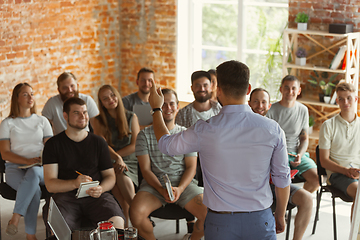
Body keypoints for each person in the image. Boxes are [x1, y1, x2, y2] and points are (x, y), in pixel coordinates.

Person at [149, 60, 291, 240]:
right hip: (260, 218)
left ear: (219, 90)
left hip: (220, 222)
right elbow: (282, 177)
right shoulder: (272, 129)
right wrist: (280, 214)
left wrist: (156, 109)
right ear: (248, 89)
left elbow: (165, 145)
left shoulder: (204, 130)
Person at [130, 88, 207, 240]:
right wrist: (160, 188)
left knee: (211, 214)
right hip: (154, 186)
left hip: (184, 185)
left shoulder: (186, 133)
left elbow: (192, 167)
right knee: (135, 214)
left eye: (172, 104)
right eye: (163, 104)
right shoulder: (143, 135)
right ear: (155, 107)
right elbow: (145, 170)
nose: (168, 108)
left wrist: (180, 188)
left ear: (178, 107)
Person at [42, 97, 124, 231]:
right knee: (59, 230)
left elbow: (110, 176)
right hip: (64, 197)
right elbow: (50, 185)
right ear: (65, 116)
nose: (82, 116)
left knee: (117, 224)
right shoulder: (53, 144)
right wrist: (75, 183)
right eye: (76, 113)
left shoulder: (99, 142)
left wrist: (101, 189)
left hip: (97, 196)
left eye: (85, 112)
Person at [249, 87, 313, 240]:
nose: (259, 105)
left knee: (308, 199)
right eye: (256, 101)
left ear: (269, 106)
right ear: (249, 103)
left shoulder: (274, 130)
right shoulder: (244, 129)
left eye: (264, 102)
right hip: (253, 188)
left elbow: (281, 169)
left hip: (274, 184)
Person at [0, 83, 53, 240]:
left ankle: (16, 217)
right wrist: (27, 160)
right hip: (14, 168)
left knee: (35, 172)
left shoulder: (42, 121)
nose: (31, 97)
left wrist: (38, 161)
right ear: (16, 98)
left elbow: (51, 149)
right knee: (34, 190)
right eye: (25, 94)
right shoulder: (7, 123)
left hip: (40, 168)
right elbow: (5, 154)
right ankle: (31, 236)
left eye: (32, 94)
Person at [92, 84, 140, 227]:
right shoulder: (97, 120)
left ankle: (132, 215)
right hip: (108, 160)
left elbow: (134, 146)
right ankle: (137, 215)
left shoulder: (131, 117)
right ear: (101, 103)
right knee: (117, 172)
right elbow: (102, 145)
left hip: (129, 161)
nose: (111, 100)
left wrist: (118, 158)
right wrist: (116, 158)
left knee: (119, 173)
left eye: (112, 95)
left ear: (117, 95)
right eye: (105, 98)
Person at [267, 75, 319, 193]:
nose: (290, 91)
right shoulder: (271, 109)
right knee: (278, 182)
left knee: (316, 179)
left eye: (294, 88)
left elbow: (304, 138)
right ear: (281, 89)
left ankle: (298, 202)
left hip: (296, 155)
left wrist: (300, 154)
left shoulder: (303, 110)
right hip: (275, 155)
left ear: (299, 91)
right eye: (286, 88)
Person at [319, 82, 360, 220]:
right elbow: (324, 161)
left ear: (356, 99)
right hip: (338, 175)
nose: (345, 102)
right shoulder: (328, 125)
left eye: (349, 97)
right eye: (341, 99)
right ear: (337, 101)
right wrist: (346, 171)